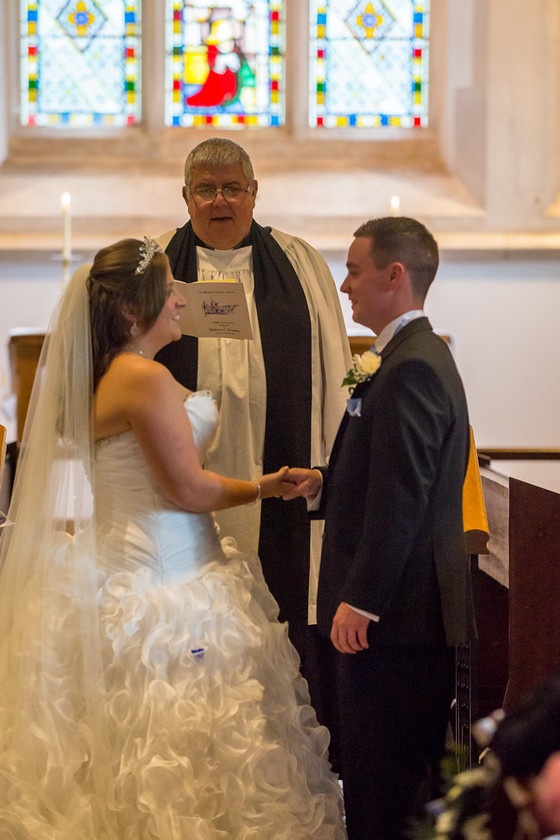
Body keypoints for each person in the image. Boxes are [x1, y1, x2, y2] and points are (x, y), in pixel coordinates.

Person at [0, 237, 347, 838]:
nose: (181, 302)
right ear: (135, 310)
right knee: (180, 752)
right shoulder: (143, 378)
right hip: (165, 586)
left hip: (118, 569)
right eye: (170, 291)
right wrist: (266, 486)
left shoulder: (105, 373)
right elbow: (186, 491)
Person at [284, 217, 477, 840]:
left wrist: (360, 601)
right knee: (385, 781)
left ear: (395, 276)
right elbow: (389, 475)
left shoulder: (410, 367)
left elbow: (402, 499)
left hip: (394, 622)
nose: (344, 286)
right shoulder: (405, 357)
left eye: (354, 270)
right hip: (403, 619)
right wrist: (325, 481)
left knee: (382, 784)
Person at [154, 137, 351, 735]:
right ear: (185, 196)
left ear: (253, 193)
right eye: (206, 189)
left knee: (281, 610)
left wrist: (332, 467)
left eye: (232, 187)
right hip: (185, 485)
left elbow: (335, 369)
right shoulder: (155, 264)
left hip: (281, 481)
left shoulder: (298, 262)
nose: (220, 201)